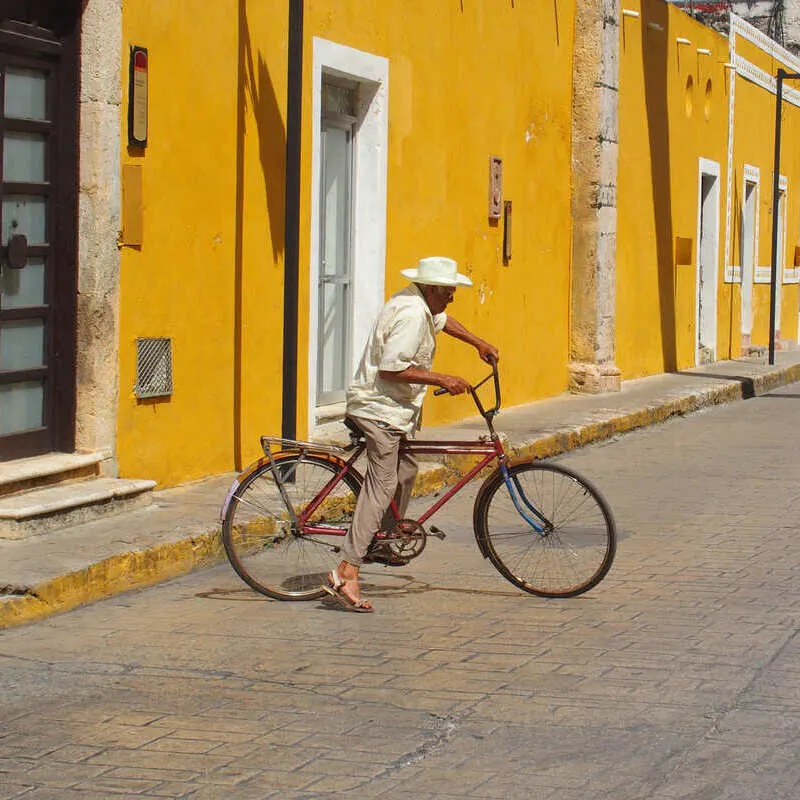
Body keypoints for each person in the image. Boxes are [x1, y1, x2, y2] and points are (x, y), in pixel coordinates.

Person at [323, 256, 499, 612]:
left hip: (395, 410)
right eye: (449, 291)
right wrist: (443, 379)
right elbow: (392, 369)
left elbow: (444, 322)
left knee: (406, 469)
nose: (452, 297)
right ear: (433, 288)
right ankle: (346, 570)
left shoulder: (420, 303)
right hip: (378, 409)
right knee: (383, 484)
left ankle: (381, 540)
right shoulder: (411, 315)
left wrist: (477, 342)